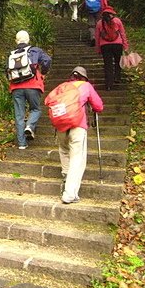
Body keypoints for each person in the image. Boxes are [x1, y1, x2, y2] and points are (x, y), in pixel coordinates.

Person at [55, 67, 103, 204]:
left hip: (61, 125)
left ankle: (66, 174)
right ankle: (70, 194)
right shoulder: (86, 86)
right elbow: (98, 106)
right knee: (77, 159)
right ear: (84, 77)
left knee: (64, 150)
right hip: (78, 125)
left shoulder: (63, 87)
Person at [7, 30, 52, 150]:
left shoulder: (12, 54)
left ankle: (22, 144)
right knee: (36, 109)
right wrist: (43, 73)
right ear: (28, 40)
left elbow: (7, 70)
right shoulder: (35, 50)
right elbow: (47, 60)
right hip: (33, 85)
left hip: (16, 87)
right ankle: (30, 126)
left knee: (19, 115)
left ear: (16, 41)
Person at [95, 6, 129, 90]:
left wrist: (98, 49)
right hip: (117, 45)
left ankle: (108, 84)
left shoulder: (99, 23)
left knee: (108, 65)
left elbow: (97, 37)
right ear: (112, 13)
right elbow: (122, 33)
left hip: (105, 46)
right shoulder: (117, 21)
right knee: (118, 62)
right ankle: (117, 77)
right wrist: (125, 46)